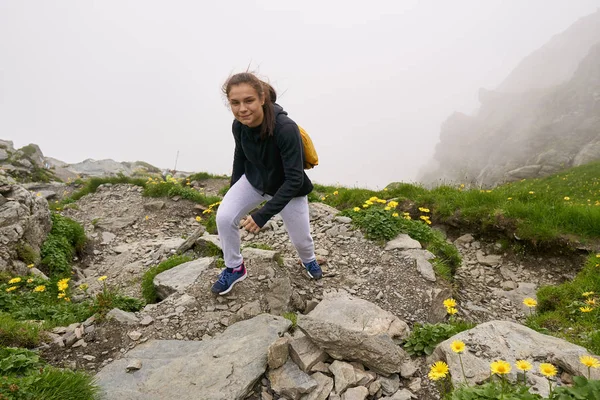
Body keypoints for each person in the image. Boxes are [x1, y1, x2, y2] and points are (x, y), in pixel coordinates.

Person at [211, 72, 322, 295]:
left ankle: (308, 260)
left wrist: (262, 215)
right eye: (235, 103)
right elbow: (239, 157)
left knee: (302, 241)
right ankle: (234, 268)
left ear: (262, 99)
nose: (242, 109)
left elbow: (294, 179)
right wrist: (233, 192)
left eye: (249, 100)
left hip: (288, 190)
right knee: (224, 217)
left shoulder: (285, 128)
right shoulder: (239, 125)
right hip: (254, 182)